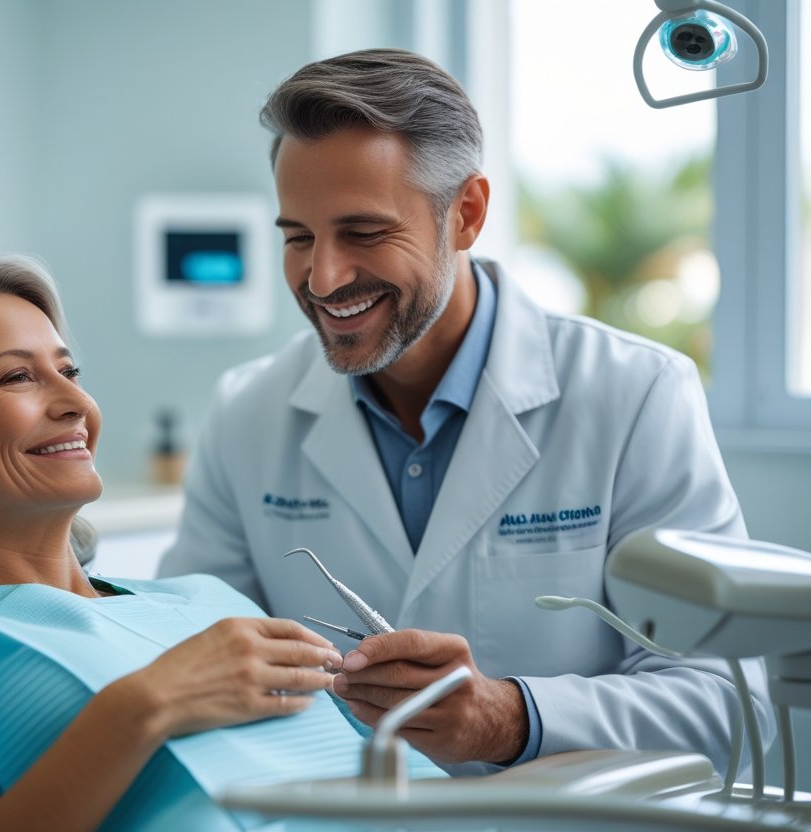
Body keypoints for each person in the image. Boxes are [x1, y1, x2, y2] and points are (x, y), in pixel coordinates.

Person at [157, 48, 774, 777]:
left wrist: (508, 718)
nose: (322, 277)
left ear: (467, 214)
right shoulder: (247, 412)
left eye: (363, 232)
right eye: (298, 238)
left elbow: (733, 706)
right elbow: (185, 664)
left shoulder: (636, 393)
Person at [0, 256, 418, 832]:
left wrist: (465, 714)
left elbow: (414, 790)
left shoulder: (208, 601)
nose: (77, 404)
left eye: (69, 372)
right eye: (17, 376)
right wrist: (145, 706)